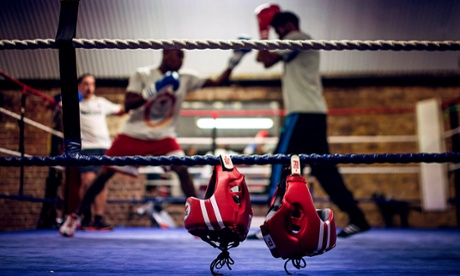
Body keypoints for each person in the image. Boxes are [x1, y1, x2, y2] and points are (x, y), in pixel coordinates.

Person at [59, 48, 249, 237]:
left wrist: (234, 60)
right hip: (133, 133)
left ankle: (201, 220)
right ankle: (75, 217)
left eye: (183, 55)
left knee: (183, 170)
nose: (181, 59)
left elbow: (218, 82)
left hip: (163, 136)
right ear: (165, 53)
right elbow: (129, 103)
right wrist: (155, 88)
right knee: (103, 174)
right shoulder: (143, 74)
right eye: (178, 54)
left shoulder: (186, 78)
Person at [255, 11, 370, 238]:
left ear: (288, 25)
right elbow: (267, 60)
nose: (278, 35)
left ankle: (273, 222)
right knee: (324, 169)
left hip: (302, 114)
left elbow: (265, 60)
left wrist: (262, 34)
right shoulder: (301, 40)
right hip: (315, 114)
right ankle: (358, 218)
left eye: (278, 31)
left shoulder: (296, 38)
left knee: (280, 164)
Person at [77, 73, 124, 230]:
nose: (89, 87)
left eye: (92, 84)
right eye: (85, 83)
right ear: (79, 86)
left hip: (104, 147)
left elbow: (120, 110)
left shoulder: (101, 103)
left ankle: (98, 218)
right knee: (87, 182)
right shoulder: (74, 103)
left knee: (101, 183)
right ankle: (85, 216)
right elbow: (54, 105)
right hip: (85, 148)